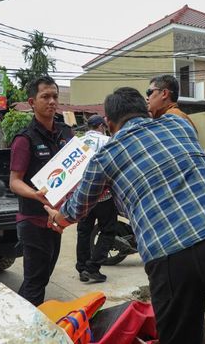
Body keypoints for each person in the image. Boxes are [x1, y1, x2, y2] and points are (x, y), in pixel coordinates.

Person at [44, 87, 205, 344]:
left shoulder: (104, 157)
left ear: (109, 123)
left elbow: (77, 208)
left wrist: (57, 217)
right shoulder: (179, 125)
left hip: (169, 255)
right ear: (147, 111)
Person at [9, 76, 73, 306]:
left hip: (57, 219)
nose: (52, 101)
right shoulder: (24, 139)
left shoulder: (67, 134)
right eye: (45, 97)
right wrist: (35, 194)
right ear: (32, 102)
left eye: (55, 96)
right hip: (33, 220)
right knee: (36, 283)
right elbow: (14, 181)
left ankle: (13, 315)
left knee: (40, 278)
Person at [75, 115, 117, 283]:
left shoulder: (78, 142)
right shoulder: (108, 141)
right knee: (108, 231)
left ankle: (82, 268)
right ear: (101, 126)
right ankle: (93, 268)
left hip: (83, 196)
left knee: (83, 232)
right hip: (104, 196)